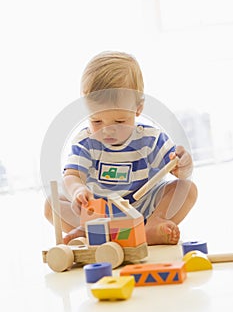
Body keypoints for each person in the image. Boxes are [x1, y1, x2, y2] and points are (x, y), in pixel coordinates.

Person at [44, 51, 198, 245]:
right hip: (99, 213)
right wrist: (77, 191)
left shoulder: (150, 139)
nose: (107, 131)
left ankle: (153, 225)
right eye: (96, 120)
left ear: (138, 108)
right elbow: (72, 175)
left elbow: (179, 170)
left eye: (119, 120)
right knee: (52, 204)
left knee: (187, 189)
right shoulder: (85, 142)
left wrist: (184, 164)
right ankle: (95, 232)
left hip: (143, 210)